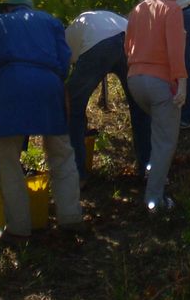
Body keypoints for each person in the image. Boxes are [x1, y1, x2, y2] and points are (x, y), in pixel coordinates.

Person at [0, 0, 83, 241]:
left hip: (10, 84)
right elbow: (65, 59)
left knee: (8, 158)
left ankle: (19, 228)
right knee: (61, 153)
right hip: (48, 83)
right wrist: (54, 80)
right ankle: (71, 216)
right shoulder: (51, 21)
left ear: (9, 8)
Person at [124, 0, 188, 213]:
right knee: (164, 142)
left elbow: (127, 46)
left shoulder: (138, 9)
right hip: (160, 82)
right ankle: (155, 202)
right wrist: (181, 83)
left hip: (135, 80)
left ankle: (153, 176)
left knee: (156, 133)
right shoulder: (172, 9)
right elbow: (175, 49)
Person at [64, 10, 151, 183]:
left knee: (72, 106)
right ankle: (148, 169)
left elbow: (69, 66)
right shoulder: (91, 18)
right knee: (139, 105)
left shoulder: (66, 38)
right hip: (130, 39)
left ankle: (78, 176)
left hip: (100, 45)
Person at [118, 0, 190, 129]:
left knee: (182, 64)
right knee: (183, 63)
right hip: (188, 15)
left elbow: (148, 10)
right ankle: (180, 109)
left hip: (183, 16)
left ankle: (184, 115)